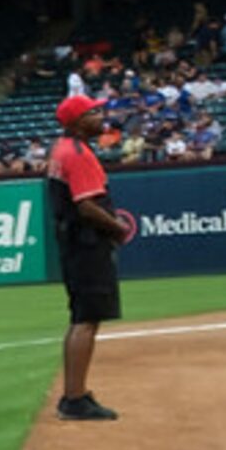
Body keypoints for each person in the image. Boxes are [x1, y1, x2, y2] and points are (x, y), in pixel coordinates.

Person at [47, 91, 134, 419]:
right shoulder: (78, 153)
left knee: (81, 318)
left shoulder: (62, 147)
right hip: (86, 244)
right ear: (78, 122)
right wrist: (117, 229)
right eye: (94, 113)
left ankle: (75, 394)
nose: (101, 117)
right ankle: (74, 398)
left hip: (75, 242)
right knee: (86, 320)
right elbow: (86, 206)